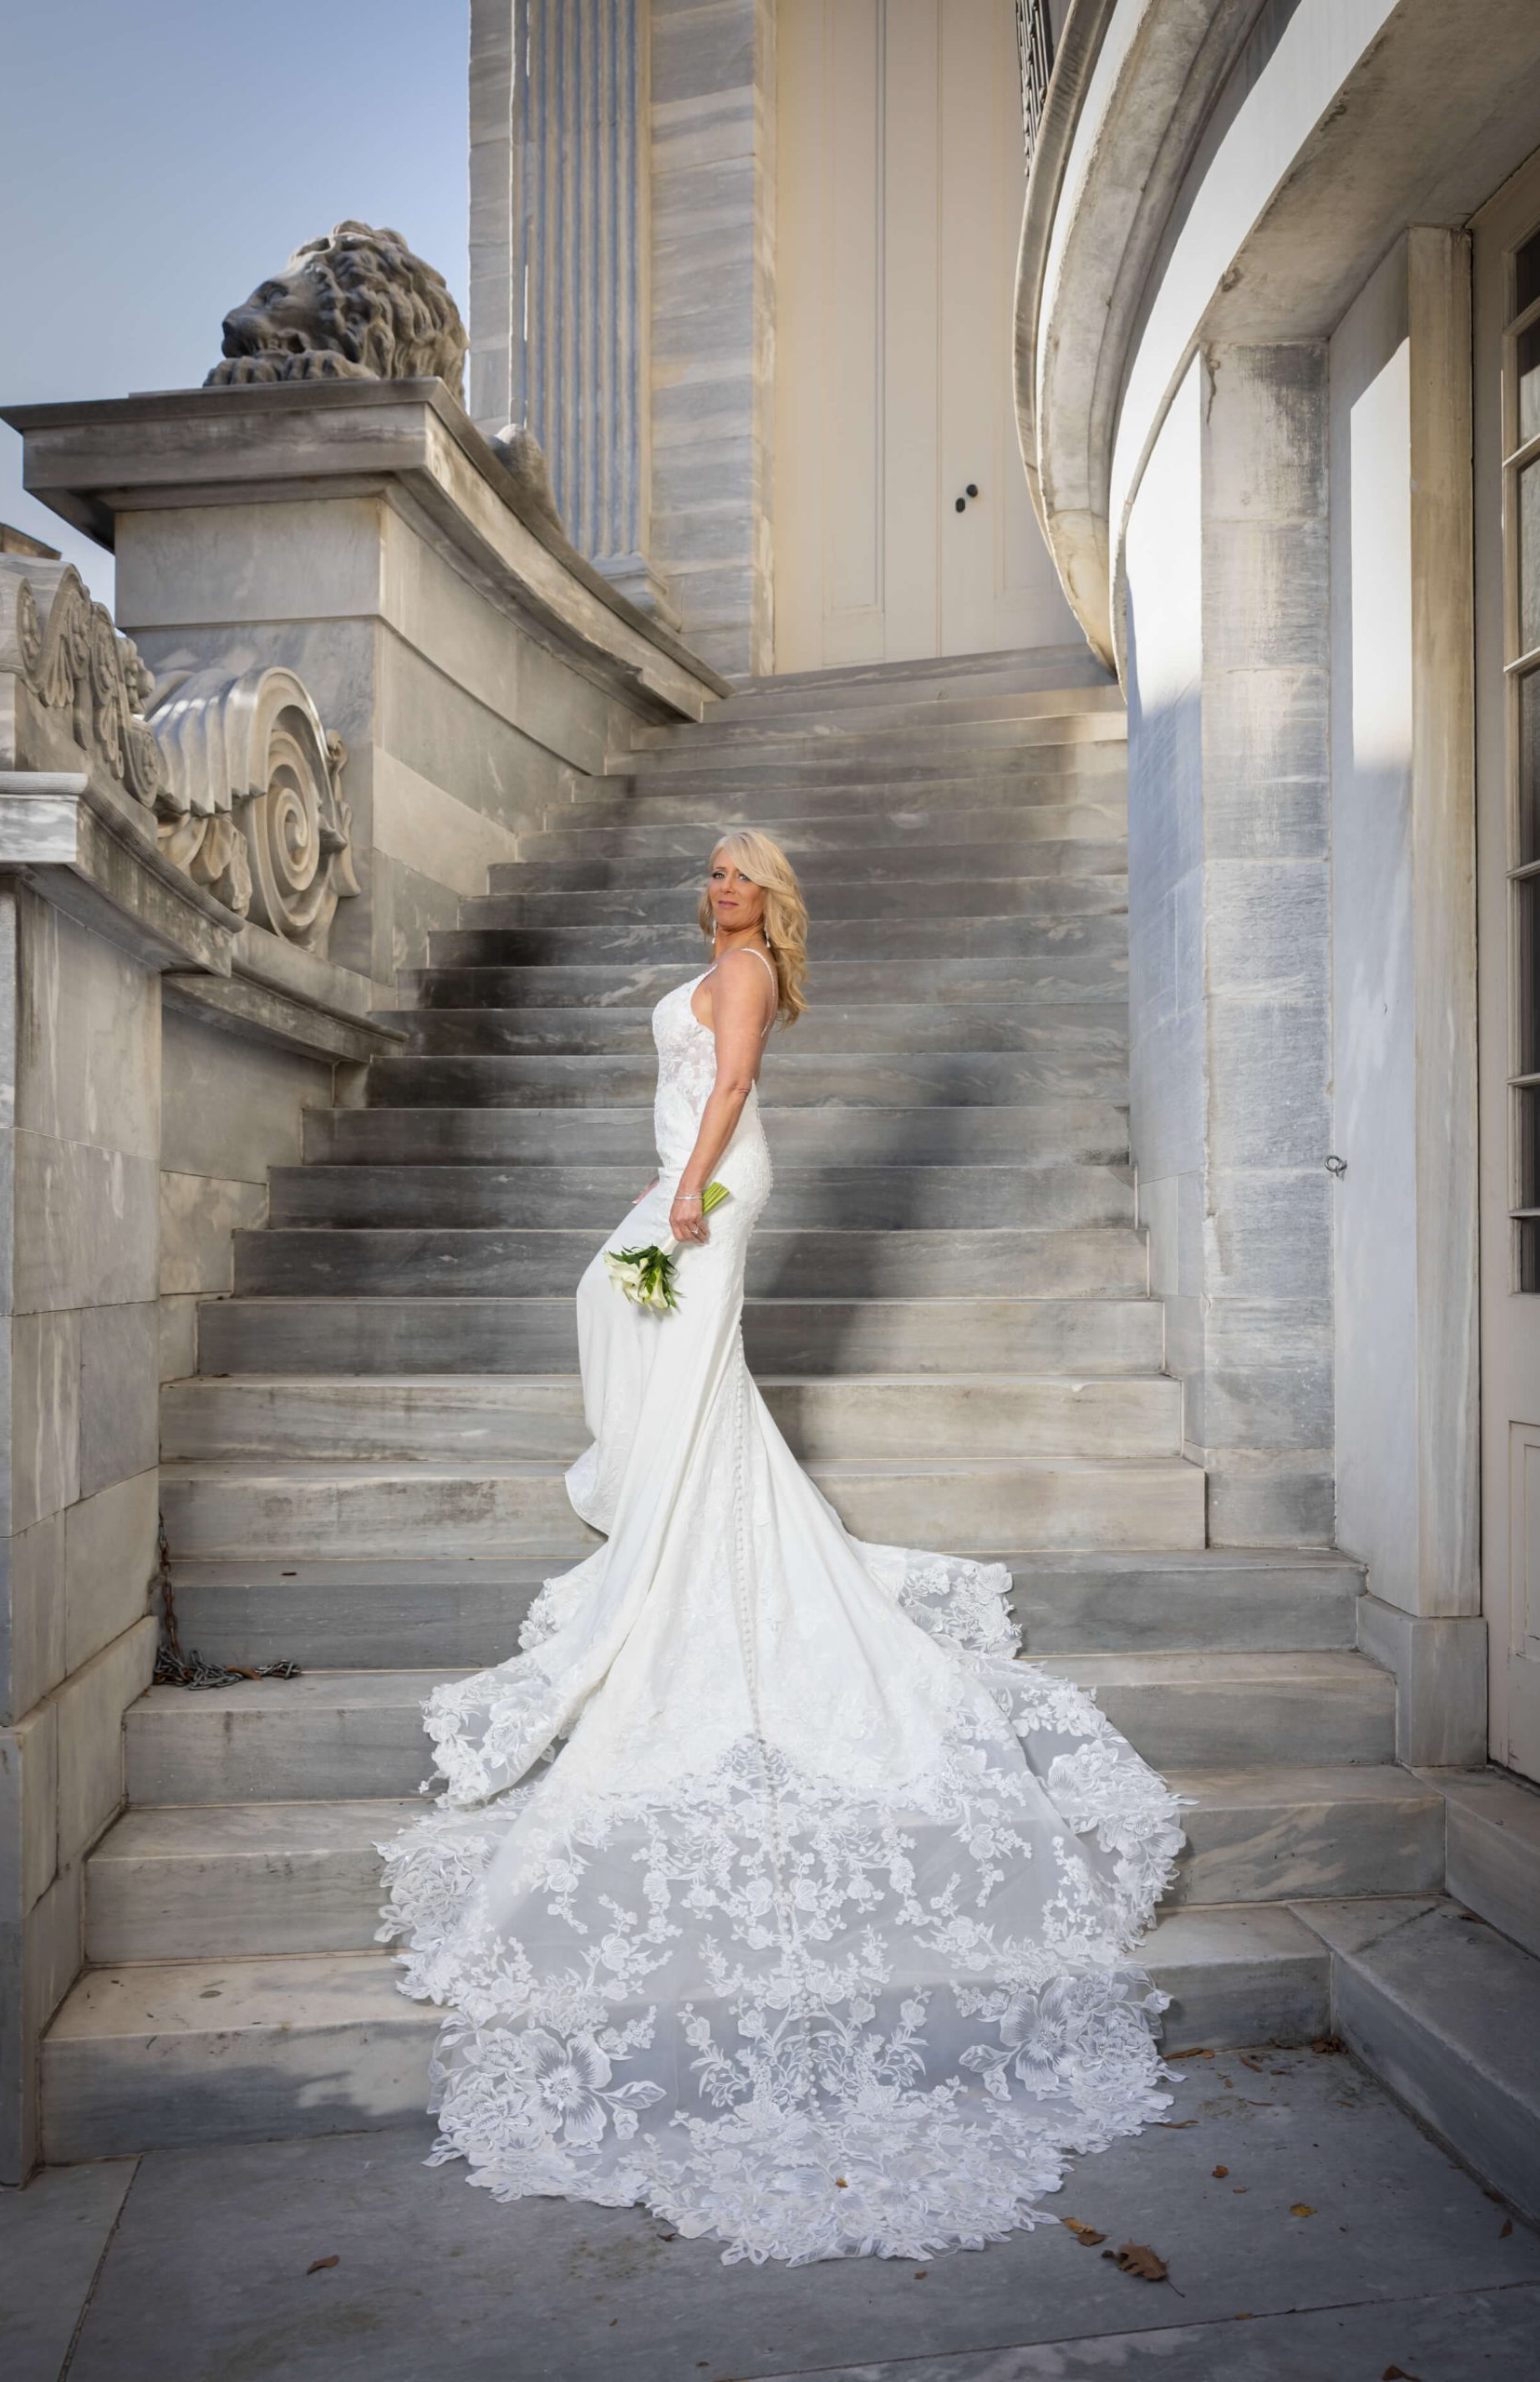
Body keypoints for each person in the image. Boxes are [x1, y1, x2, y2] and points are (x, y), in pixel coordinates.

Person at [381, 827, 1190, 2267]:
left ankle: (682, 1512)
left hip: (717, 1180)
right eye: (709, 874)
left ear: (769, 899)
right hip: (692, 1176)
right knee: (626, 1321)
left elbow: (734, 1079)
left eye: (738, 876)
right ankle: (668, 1485)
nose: (718, 891)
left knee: (657, 1332)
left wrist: (687, 1193)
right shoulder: (718, 956)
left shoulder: (745, 973)